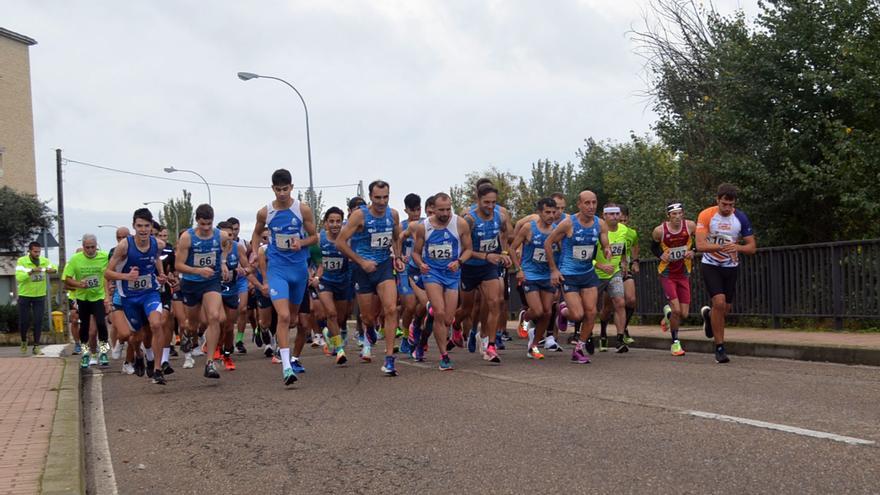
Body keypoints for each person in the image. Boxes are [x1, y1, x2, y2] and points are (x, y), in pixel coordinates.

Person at [250, 169, 317, 385]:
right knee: (284, 316)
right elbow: (255, 233)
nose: (281, 193)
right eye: (278, 190)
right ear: (272, 189)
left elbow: (315, 236)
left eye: (285, 189)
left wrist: (302, 243)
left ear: (291, 187)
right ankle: (287, 367)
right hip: (277, 268)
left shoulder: (302, 209)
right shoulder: (265, 212)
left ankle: (286, 350)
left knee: (295, 319)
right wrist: (254, 251)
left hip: (298, 270)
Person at [336, 180, 405, 376]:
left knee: (391, 309)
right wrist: (361, 261)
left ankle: (390, 358)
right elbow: (341, 243)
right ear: (370, 197)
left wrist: (397, 257)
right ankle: (369, 329)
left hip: (383, 266)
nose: (382, 202)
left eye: (385, 197)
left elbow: (395, 237)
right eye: (377, 198)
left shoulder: (393, 214)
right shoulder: (359, 216)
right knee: (367, 317)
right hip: (362, 270)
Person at [105, 208, 170, 384]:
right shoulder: (125, 246)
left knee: (156, 324)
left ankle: (157, 368)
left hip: (150, 293)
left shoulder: (158, 244)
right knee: (136, 335)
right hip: (129, 297)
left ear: (151, 227)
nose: (143, 230)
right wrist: (126, 277)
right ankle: (138, 354)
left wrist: (160, 273)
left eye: (146, 226)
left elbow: (156, 257)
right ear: (134, 226)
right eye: (139, 226)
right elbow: (107, 273)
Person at [545, 190, 611, 364]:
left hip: (588, 273)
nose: (591, 207)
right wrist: (554, 270)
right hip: (569, 274)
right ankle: (563, 311)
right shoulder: (568, 224)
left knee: (591, 312)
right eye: (587, 203)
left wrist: (607, 249)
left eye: (594, 203)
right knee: (577, 314)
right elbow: (548, 243)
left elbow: (604, 240)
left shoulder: (600, 224)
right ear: (579, 205)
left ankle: (578, 348)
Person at [695, 183, 756, 364]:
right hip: (711, 264)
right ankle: (719, 347)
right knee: (719, 303)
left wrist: (737, 247)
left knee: (725, 309)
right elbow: (700, 245)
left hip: (731, 266)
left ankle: (708, 316)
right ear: (717, 200)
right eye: (724, 204)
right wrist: (721, 246)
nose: (727, 208)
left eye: (731, 205)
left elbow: (752, 247)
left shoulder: (740, 218)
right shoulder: (706, 215)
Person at [410, 192, 472, 370]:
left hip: (452, 274)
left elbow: (468, 249)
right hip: (432, 273)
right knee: (439, 312)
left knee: (447, 319)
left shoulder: (459, 223)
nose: (445, 213)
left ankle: (424, 339)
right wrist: (420, 263)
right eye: (441, 210)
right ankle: (444, 356)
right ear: (433, 209)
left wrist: (459, 261)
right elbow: (416, 252)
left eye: (448, 209)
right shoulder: (424, 227)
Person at [454, 184, 511, 364]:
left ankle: (490, 345)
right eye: (486, 202)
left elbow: (504, 235)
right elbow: (465, 249)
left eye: (494, 202)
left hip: (489, 267)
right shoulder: (468, 220)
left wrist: (504, 253)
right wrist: (486, 255)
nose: (490, 206)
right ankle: (455, 325)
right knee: (466, 309)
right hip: (470, 267)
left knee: (496, 302)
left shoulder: (500, 217)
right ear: (477, 200)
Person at [176, 204, 232, 379]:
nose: (206, 228)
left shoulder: (221, 235)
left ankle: (210, 363)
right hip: (191, 283)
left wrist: (223, 264)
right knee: (192, 325)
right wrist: (198, 270)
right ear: (197, 221)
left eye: (209, 224)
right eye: (202, 224)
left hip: (211, 281)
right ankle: (188, 336)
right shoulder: (187, 238)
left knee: (214, 316)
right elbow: (179, 265)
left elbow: (226, 247)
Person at [510, 197, 557, 359]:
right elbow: (512, 248)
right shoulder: (529, 228)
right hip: (530, 273)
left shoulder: (557, 230)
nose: (551, 215)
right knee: (537, 310)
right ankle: (525, 316)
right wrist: (518, 269)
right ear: (539, 212)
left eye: (553, 212)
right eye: (547, 212)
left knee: (547, 313)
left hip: (547, 275)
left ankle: (534, 346)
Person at [651, 202, 696, 356]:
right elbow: (654, 246)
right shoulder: (659, 231)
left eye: (679, 213)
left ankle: (668, 315)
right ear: (668, 215)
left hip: (684, 273)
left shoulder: (690, 226)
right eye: (674, 214)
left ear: (683, 213)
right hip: (667, 273)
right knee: (677, 310)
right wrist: (660, 255)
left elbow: (701, 239)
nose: (677, 217)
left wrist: (693, 251)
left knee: (684, 314)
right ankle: (675, 343)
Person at [63, 234, 110, 367]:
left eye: (93, 247)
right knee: (84, 327)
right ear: (83, 247)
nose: (90, 250)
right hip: (82, 298)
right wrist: (79, 284)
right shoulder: (75, 259)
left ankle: (104, 352)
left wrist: (108, 297)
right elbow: (67, 279)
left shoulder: (104, 257)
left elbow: (111, 272)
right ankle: (85, 354)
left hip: (98, 296)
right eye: (87, 247)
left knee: (101, 324)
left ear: (97, 246)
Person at [316, 207, 351, 366]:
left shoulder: (348, 239)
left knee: (342, 317)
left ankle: (329, 333)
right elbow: (312, 260)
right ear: (325, 224)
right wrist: (314, 275)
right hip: (325, 282)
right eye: (331, 221)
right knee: (331, 313)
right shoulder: (319, 239)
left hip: (343, 282)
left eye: (338, 221)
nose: (335, 224)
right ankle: (339, 349)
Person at [593, 203, 630, 353]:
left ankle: (620, 339)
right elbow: (586, 256)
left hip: (614, 272)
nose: (615, 217)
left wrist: (624, 261)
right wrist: (599, 265)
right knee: (592, 309)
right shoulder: (596, 232)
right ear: (604, 216)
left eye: (617, 214)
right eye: (611, 214)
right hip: (595, 274)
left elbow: (622, 247)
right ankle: (588, 335)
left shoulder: (624, 229)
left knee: (620, 302)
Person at [15, 241, 57, 355]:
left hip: (40, 295)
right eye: (35, 251)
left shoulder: (44, 261)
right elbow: (19, 277)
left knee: (38, 321)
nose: (37, 253)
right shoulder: (22, 261)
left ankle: (36, 346)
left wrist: (51, 270)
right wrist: (31, 271)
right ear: (29, 251)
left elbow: (54, 268)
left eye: (39, 251)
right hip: (25, 295)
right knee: (25, 321)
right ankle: (24, 341)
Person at [398, 193, 423, 354]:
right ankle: (406, 337)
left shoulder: (425, 224)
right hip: (405, 271)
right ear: (406, 210)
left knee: (423, 305)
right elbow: (395, 244)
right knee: (410, 305)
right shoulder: (401, 226)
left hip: (422, 269)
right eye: (412, 210)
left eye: (418, 209)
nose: (416, 213)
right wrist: (399, 256)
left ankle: (416, 328)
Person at [619, 205, 639, 345]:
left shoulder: (631, 233)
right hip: (608, 270)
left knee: (631, 300)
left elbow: (634, 247)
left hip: (625, 270)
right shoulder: (606, 232)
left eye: (625, 220)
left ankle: (623, 329)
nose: (622, 223)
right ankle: (602, 333)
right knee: (608, 307)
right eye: (620, 220)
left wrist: (635, 261)